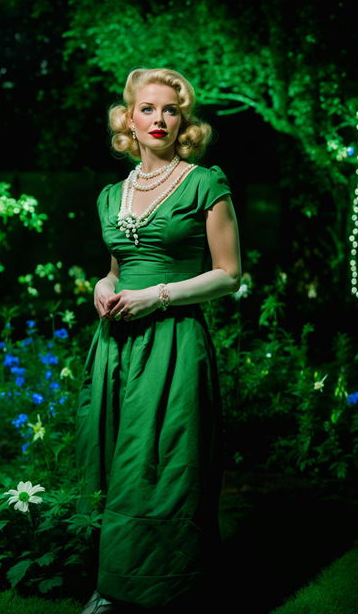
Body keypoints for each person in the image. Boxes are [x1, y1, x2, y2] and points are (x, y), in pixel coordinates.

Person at [75, 68, 241, 614]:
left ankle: (168, 585)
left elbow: (227, 274)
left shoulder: (204, 183)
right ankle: (113, 580)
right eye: (147, 109)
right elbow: (119, 268)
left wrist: (159, 296)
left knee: (162, 468)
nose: (159, 119)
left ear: (184, 122)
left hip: (172, 343)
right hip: (115, 348)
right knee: (112, 462)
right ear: (127, 119)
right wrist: (105, 284)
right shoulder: (111, 195)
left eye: (170, 110)